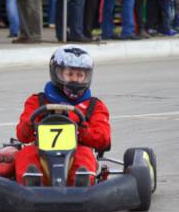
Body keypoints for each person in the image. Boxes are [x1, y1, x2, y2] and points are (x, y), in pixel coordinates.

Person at [15, 45, 111, 187]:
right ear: (56, 73)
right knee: (26, 154)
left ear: (87, 76)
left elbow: (103, 139)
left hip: (76, 151)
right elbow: (22, 136)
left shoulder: (94, 106)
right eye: (69, 74)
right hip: (41, 152)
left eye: (80, 75)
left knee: (84, 155)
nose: (75, 80)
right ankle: (32, 182)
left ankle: (80, 183)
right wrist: (31, 125)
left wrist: (82, 130)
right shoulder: (37, 101)